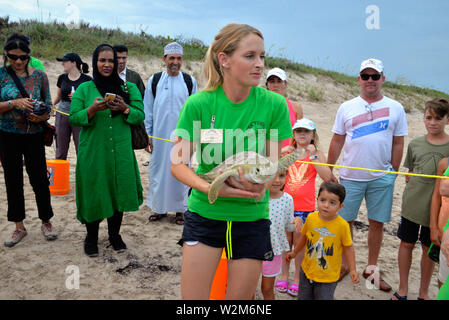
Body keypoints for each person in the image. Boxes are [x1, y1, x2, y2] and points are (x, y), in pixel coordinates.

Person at [170, 23, 292, 299]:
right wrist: (213, 188)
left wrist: (262, 182)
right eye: (250, 56)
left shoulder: (274, 105)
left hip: (251, 216)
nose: (259, 64)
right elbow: (177, 165)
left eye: (262, 56)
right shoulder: (199, 105)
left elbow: (272, 164)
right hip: (205, 212)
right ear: (224, 60)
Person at [327, 58, 408, 291]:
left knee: (377, 224)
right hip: (351, 175)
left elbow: (398, 142)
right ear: (359, 79)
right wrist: (328, 168)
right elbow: (337, 139)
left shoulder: (396, 107)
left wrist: (393, 171)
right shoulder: (346, 106)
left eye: (375, 76)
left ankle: (371, 269)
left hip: (382, 177)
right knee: (345, 222)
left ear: (383, 78)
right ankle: (344, 265)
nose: (370, 80)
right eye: (366, 76)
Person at [70, 44, 144, 257]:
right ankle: (91, 237)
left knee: (117, 191)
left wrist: (125, 108)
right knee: (95, 190)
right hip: (94, 151)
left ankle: (114, 235)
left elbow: (139, 114)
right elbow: (74, 117)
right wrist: (92, 109)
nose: (107, 64)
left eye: (111, 60)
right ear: (94, 62)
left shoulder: (129, 88)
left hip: (120, 150)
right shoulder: (84, 89)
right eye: (102, 60)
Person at [0, 33, 57, 247]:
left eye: (22, 57)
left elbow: (49, 105)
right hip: (7, 135)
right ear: (6, 55)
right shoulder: (1, 75)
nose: (17, 61)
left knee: (40, 180)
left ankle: (46, 221)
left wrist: (42, 115)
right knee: (13, 181)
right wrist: (14, 103)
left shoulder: (40, 76)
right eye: (13, 56)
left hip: (33, 135)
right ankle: (19, 226)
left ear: (28, 56)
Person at [392, 98, 449, 300]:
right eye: (428, 118)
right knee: (406, 243)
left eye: (438, 118)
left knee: (428, 248)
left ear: (447, 120)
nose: (432, 122)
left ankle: (423, 293)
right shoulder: (415, 144)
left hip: (437, 212)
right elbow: (409, 174)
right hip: (411, 206)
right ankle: (403, 289)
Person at [276, 118, 332, 297]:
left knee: (299, 244)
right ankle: (284, 274)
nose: (302, 134)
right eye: (298, 131)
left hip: (304, 208)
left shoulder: (317, 155)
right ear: (293, 134)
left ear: (313, 135)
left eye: (306, 131)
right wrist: (281, 152)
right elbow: (274, 170)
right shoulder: (288, 153)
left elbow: (327, 176)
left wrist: (314, 154)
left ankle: (298, 279)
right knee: (285, 242)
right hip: (285, 206)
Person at [144, 41, 197, 225]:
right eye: (172, 58)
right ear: (164, 59)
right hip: (159, 138)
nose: (175, 62)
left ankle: (181, 210)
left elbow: (195, 112)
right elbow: (148, 110)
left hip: (183, 139)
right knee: (158, 172)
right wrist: (147, 136)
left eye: (179, 58)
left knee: (182, 173)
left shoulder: (190, 81)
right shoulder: (155, 80)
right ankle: (159, 209)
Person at [286, 181, 359, 300]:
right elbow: (304, 237)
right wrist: (295, 252)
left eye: (332, 203)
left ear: (340, 206)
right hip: (306, 271)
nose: (326, 205)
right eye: (323, 200)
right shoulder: (311, 218)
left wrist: (352, 269)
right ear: (317, 199)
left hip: (328, 277)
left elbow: (348, 247)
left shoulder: (342, 226)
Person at [261, 171, 302, 300]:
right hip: (252, 250)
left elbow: (287, 227)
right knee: (249, 290)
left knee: (267, 289)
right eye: (272, 175)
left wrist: (297, 222)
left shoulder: (287, 199)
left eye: (282, 176)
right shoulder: (257, 196)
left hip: (273, 251)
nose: (277, 180)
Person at [52, 52, 91, 159]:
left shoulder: (87, 80)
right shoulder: (62, 78)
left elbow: (91, 100)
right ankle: (59, 174)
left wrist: (79, 97)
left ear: (74, 63)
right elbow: (58, 96)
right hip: (62, 115)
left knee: (82, 147)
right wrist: (51, 105)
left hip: (79, 115)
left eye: (64, 61)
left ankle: (83, 174)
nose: (62, 64)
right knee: (60, 148)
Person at [266, 67, 303, 148]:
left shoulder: (296, 107)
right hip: (268, 154)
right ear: (267, 85)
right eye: (272, 81)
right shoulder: (260, 106)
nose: (275, 85)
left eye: (279, 81)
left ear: (285, 84)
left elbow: (301, 134)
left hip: (289, 154)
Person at [430, 156, 449, 289]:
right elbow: (440, 192)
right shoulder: (445, 163)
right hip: (446, 232)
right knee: (443, 279)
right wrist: (434, 226)